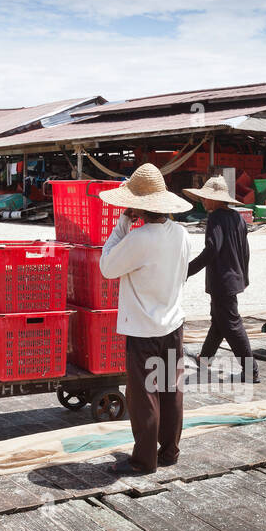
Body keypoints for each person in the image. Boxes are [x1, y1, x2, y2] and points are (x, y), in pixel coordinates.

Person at [98, 164, 193, 475]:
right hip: (172, 323)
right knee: (169, 389)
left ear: (139, 207)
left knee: (144, 395)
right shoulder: (180, 234)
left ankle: (144, 460)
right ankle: (170, 452)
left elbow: (108, 266)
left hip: (143, 328)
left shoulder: (140, 239)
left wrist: (122, 223)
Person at [182, 176, 257, 383]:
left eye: (206, 198)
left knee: (232, 325)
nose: (203, 202)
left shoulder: (215, 218)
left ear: (216, 200)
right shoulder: (238, 218)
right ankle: (205, 359)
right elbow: (245, 251)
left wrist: (186, 270)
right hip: (233, 279)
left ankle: (252, 370)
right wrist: (244, 276)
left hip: (223, 282)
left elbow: (212, 249)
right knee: (219, 321)